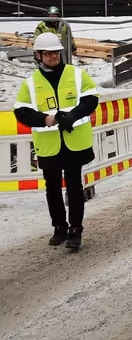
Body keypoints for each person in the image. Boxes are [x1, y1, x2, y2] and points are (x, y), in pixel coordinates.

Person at [13, 33, 98, 250]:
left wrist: (73, 116)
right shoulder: (31, 83)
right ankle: (59, 227)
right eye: (48, 53)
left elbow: (91, 99)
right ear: (38, 56)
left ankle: (75, 230)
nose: (53, 56)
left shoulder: (77, 75)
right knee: (52, 187)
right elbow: (21, 112)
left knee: (74, 186)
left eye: (56, 52)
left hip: (74, 142)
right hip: (49, 144)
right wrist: (44, 119)